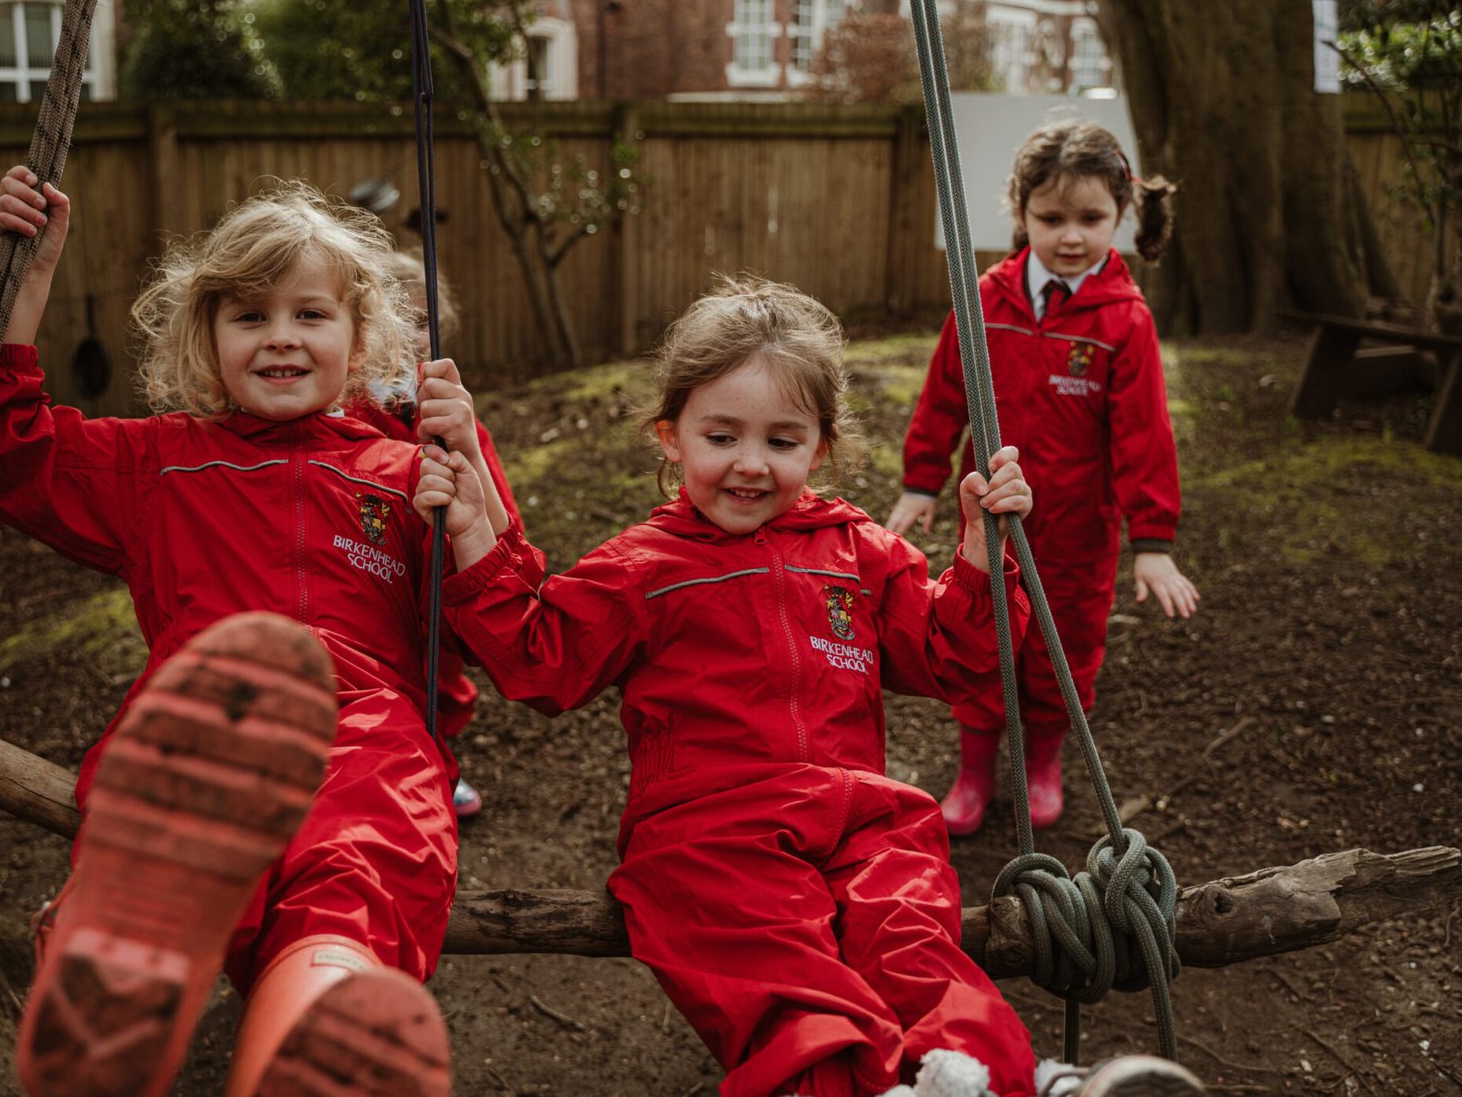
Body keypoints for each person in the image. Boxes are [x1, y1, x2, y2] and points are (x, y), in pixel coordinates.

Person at [414, 277, 1204, 1097]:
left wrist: (979, 548)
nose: (751, 463)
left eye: (783, 440)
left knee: (913, 938)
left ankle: (1000, 1077)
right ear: (671, 437)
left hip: (861, 815)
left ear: (821, 446)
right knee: (780, 971)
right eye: (722, 435)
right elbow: (541, 658)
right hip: (708, 831)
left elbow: (952, 656)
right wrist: (473, 532)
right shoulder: (644, 566)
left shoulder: (855, 550)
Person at [0, 167, 465, 1097]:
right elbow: (5, 443)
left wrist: (467, 480)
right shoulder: (158, 462)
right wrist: (21, 286)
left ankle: (318, 1023)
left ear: (359, 341)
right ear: (208, 337)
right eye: (249, 316)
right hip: (209, 723)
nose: (281, 336)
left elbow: (486, 609)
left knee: (361, 863)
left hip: (366, 732)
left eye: (310, 314)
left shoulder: (405, 471)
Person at [886, 120, 1200, 838]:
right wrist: (921, 481)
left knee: (1064, 647)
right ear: (1021, 211)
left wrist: (1152, 541)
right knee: (982, 631)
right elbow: (943, 397)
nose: (1071, 236)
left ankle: (1043, 762)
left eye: (1090, 218)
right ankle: (974, 768)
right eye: (1051, 218)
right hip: (989, 518)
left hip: (1078, 530)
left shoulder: (1123, 320)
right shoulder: (983, 301)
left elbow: (1146, 435)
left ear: (1121, 215)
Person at [346, 248, 523, 820]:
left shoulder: (452, 422)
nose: (407, 337)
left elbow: (499, 513)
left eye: (422, 322)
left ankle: (436, 760)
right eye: (388, 321)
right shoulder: (346, 415)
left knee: (438, 680)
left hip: (437, 584)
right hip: (371, 577)